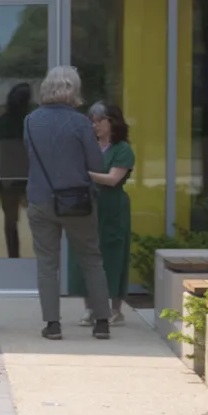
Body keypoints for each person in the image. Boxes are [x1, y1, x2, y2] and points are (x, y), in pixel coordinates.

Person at [24, 66, 112, 341]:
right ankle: (102, 322)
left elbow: (32, 157)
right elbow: (96, 164)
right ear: (74, 90)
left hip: (40, 199)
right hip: (77, 201)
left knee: (47, 264)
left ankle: (52, 324)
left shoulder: (31, 120)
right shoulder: (80, 123)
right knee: (91, 260)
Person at [68, 102, 136, 326]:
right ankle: (90, 309)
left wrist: (84, 172)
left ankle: (115, 309)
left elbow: (113, 179)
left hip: (113, 208)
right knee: (86, 255)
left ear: (112, 122)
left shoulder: (122, 149)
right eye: (93, 122)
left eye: (100, 121)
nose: (95, 126)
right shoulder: (90, 145)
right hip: (89, 205)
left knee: (113, 255)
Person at [0, 81, 33, 260]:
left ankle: (13, 258)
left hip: (8, 177)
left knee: (10, 223)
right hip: (29, 176)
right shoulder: (31, 122)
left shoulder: (2, 122)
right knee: (39, 220)